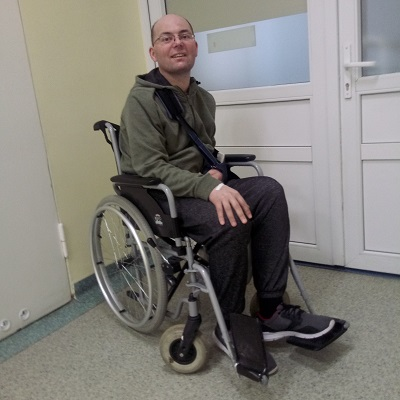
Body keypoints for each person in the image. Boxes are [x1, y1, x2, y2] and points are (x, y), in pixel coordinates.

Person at [119, 14, 342, 373]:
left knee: (268, 191)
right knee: (230, 219)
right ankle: (230, 323)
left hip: (199, 186)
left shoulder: (202, 97)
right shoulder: (141, 101)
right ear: (153, 52)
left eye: (184, 35)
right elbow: (149, 168)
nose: (177, 43)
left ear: (195, 46)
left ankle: (270, 309)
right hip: (163, 196)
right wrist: (209, 187)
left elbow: (206, 149)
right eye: (166, 38)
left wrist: (217, 173)